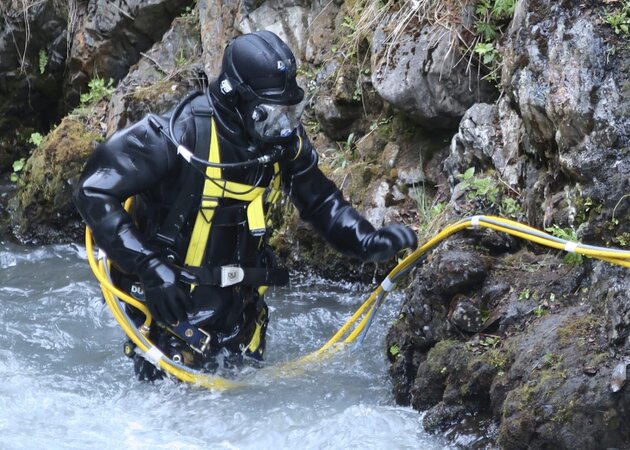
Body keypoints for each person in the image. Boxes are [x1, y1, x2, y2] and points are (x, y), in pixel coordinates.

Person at [74, 31, 417, 380]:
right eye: (271, 112)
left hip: (240, 320)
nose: (285, 124)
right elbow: (92, 191)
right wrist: (149, 268)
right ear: (237, 99)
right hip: (170, 316)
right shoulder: (175, 137)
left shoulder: (282, 142)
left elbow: (322, 202)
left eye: (291, 110)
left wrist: (365, 241)